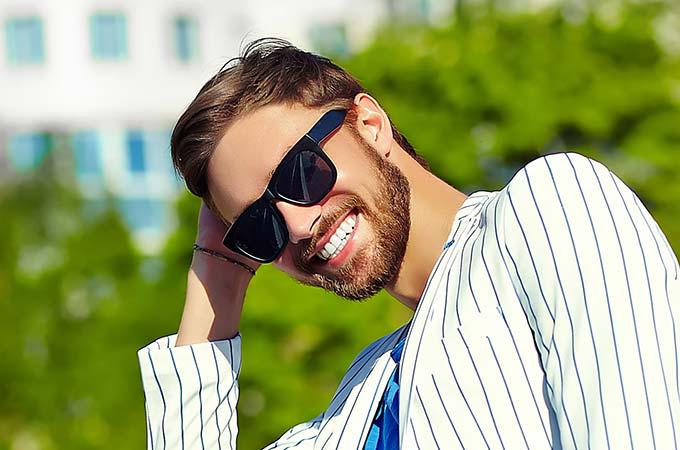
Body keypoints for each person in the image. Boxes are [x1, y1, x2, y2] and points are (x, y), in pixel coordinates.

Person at [137, 38, 680, 449]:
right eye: (261, 227)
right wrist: (216, 277)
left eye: (299, 174)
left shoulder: (546, 207)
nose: (297, 226)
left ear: (370, 123)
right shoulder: (356, 402)